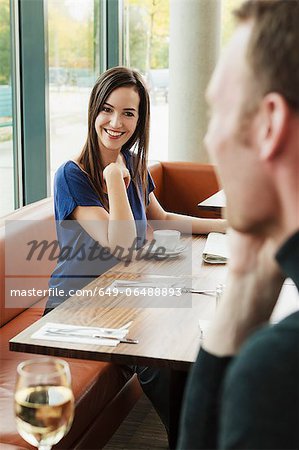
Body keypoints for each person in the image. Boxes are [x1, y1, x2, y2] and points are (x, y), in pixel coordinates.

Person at [44, 66, 226, 447]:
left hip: (122, 296)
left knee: (195, 336)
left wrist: (227, 227)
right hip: (78, 307)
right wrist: (113, 180)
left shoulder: (135, 164)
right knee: (161, 360)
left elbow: (161, 218)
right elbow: (122, 243)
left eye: (129, 113)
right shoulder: (72, 175)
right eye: (107, 110)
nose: (116, 122)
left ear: (140, 118)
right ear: (94, 111)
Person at [178, 1, 299, 449]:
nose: (210, 138)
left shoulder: (278, 372)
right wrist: (246, 285)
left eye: (217, 112)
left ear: (270, 124)